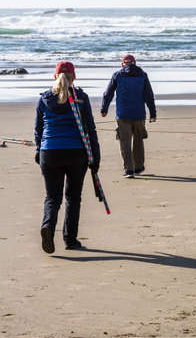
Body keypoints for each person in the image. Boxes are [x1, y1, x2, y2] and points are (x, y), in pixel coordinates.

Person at [34, 61, 100, 253]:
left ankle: (48, 226)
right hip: (76, 153)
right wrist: (95, 156)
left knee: (52, 198)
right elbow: (90, 129)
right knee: (73, 197)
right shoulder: (81, 98)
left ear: (55, 77)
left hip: (50, 152)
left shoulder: (44, 99)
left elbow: (38, 130)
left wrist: (39, 151)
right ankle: (70, 239)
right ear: (74, 77)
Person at [101, 54, 156, 178]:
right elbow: (149, 95)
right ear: (134, 63)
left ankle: (129, 170)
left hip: (123, 114)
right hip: (139, 114)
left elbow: (108, 93)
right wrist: (153, 113)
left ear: (122, 64)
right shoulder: (142, 75)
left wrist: (104, 109)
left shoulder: (117, 75)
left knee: (125, 142)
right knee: (138, 140)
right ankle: (138, 167)